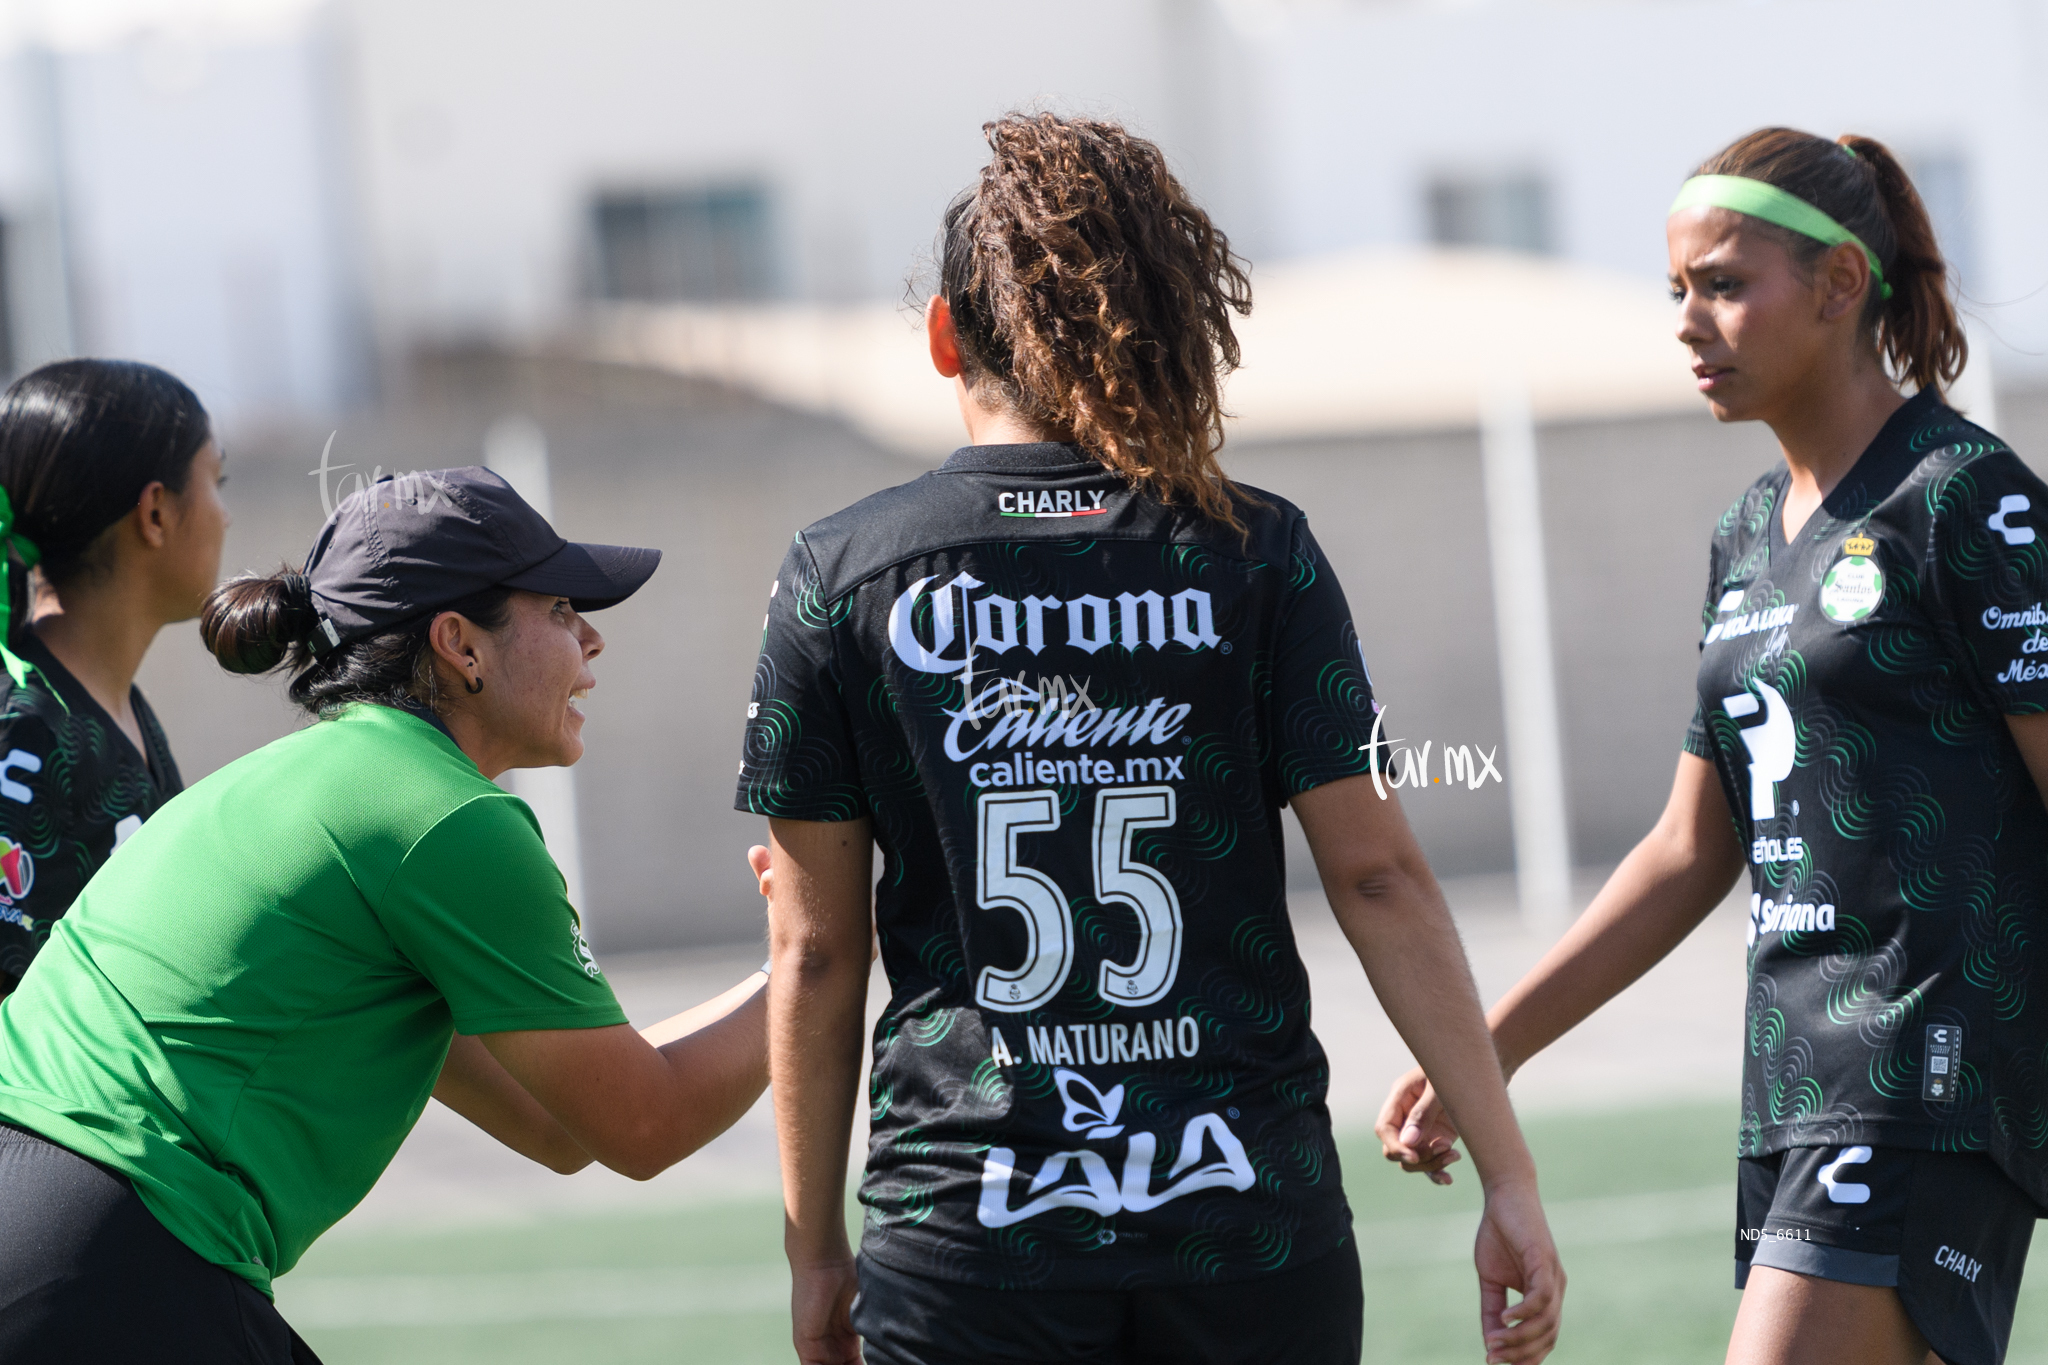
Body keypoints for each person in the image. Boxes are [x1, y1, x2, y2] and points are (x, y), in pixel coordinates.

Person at [739, 112, 1564, 1365]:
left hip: (970, 1228)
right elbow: (1377, 873)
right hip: (1243, 1217)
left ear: (942, 336)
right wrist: (1508, 1175)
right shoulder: (1256, 551)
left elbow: (813, 953)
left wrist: (813, 1256)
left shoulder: (841, 571)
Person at [1378, 128, 2048, 1365]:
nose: (1688, 320)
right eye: (1676, 290)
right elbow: (1688, 851)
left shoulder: (1963, 498)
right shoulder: (1744, 535)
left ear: (1842, 284)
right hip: (1792, 1088)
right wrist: (1483, 1055)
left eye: (1724, 285)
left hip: (1921, 1080)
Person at [0, 467, 770, 1363]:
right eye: (560, 609)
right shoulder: (440, 816)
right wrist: (817, 951)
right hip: (115, 1250)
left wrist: (782, 971)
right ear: (460, 644)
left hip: (67, 1232)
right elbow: (647, 1126)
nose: (591, 639)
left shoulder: (333, 784)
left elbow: (564, 1124)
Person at [0, 359, 227, 996]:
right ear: (155, 512)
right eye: (218, 479)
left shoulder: (108, 703)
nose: (226, 517)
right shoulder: (25, 732)